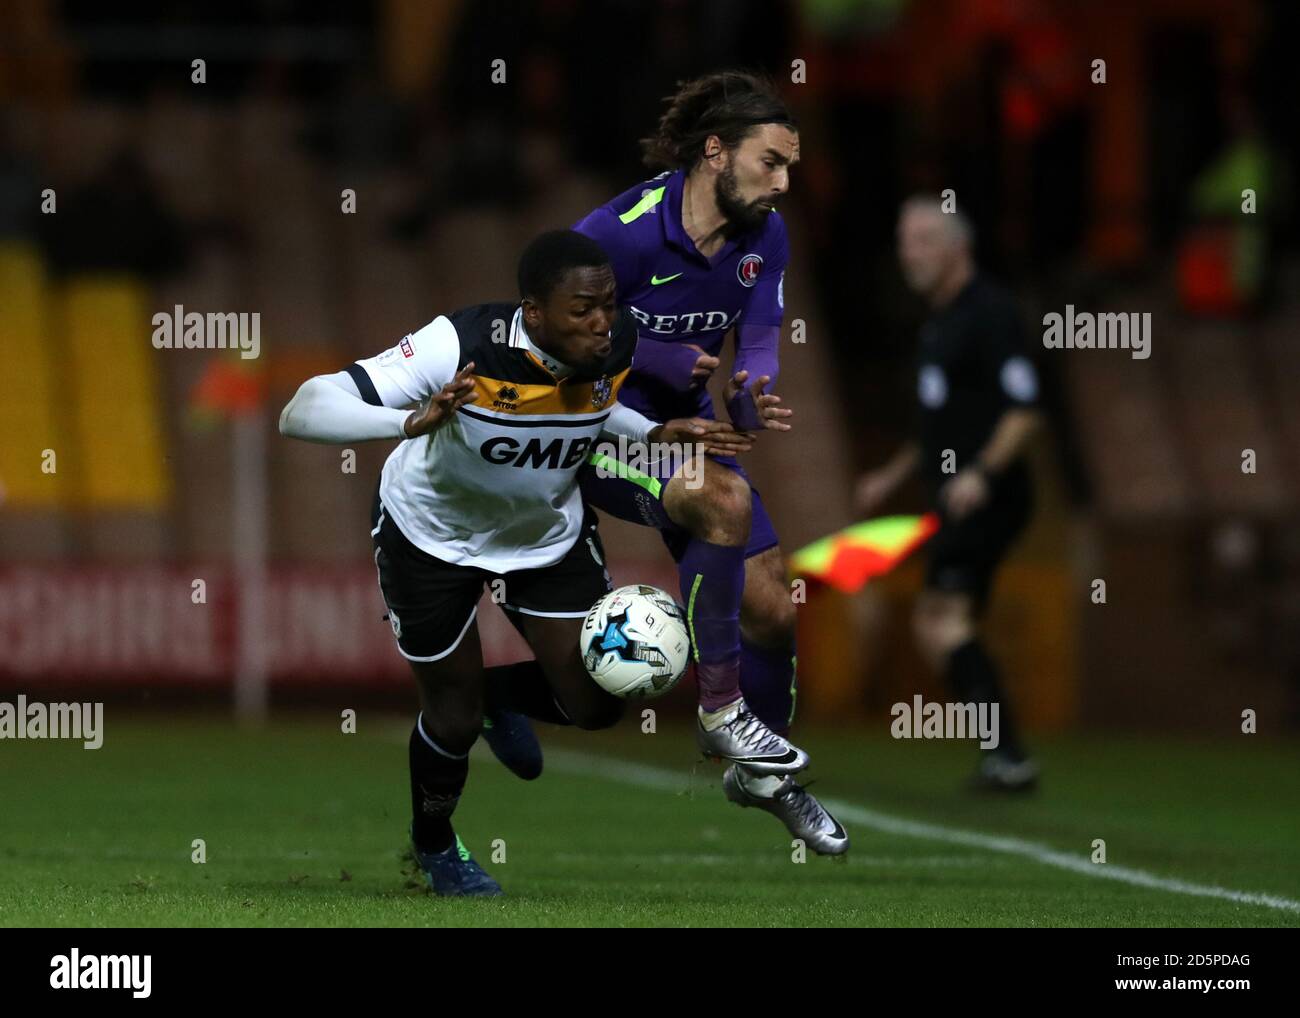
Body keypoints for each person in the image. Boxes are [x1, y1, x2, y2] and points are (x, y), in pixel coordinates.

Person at [279, 230, 751, 894]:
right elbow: (302, 410)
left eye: (607, 305)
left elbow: (592, 404)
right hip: (430, 537)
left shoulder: (614, 343)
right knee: (450, 717)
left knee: (598, 702)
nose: (601, 322)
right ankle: (436, 845)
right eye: (582, 309)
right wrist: (411, 421)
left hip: (544, 536)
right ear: (533, 312)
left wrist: (651, 433)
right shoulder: (460, 344)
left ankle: (498, 701)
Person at [571, 70, 848, 853]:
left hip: (690, 433)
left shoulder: (767, 236)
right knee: (722, 503)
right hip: (601, 432)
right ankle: (723, 713)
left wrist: (754, 391)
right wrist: (656, 352)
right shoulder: (618, 233)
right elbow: (555, 345)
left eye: (791, 167)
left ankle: (761, 776)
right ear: (716, 152)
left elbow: (757, 340)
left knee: (772, 607)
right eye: (771, 163)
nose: (784, 184)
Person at [856, 196, 1042, 791]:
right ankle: (1003, 753)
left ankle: (1009, 756)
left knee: (942, 618)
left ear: (957, 247)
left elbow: (1024, 410)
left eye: (921, 239)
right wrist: (891, 474)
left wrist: (982, 474)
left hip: (989, 495)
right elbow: (937, 424)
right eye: (904, 239)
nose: (908, 252)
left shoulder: (990, 312)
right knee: (941, 626)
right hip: (953, 496)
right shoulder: (938, 322)